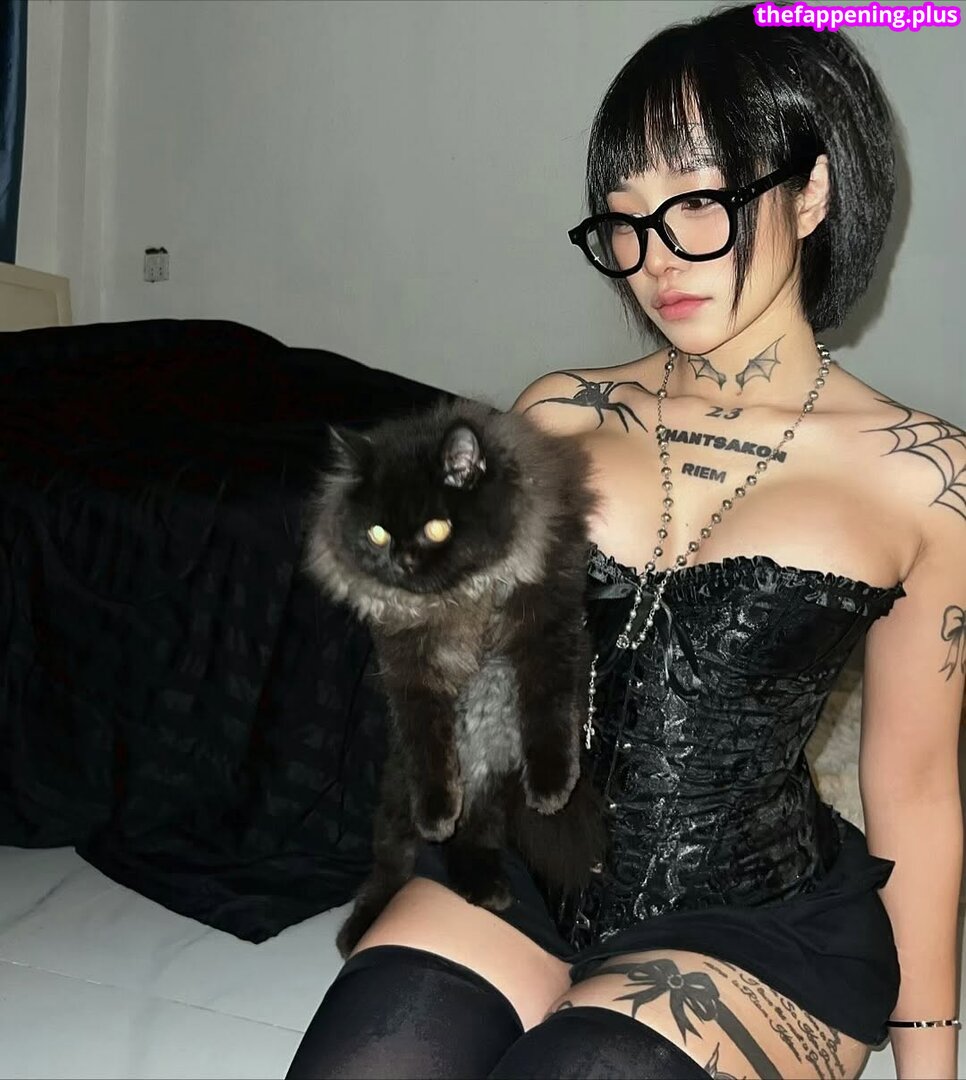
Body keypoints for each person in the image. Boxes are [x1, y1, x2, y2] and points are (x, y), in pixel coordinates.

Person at [286, 4, 965, 1077]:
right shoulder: (555, 414)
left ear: (812, 190)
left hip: (752, 921)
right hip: (527, 868)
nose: (655, 259)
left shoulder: (927, 478)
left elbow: (916, 790)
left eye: (696, 203)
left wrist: (931, 1062)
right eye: (624, 219)